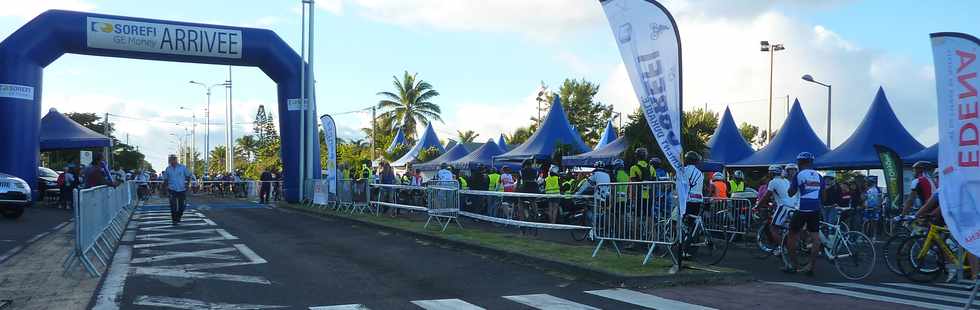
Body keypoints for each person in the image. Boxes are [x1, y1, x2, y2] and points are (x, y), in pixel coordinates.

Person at [785, 152, 823, 275]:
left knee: (792, 235)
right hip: (815, 208)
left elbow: (791, 193)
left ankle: (793, 265)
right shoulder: (819, 176)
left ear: (800, 162)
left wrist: (792, 184)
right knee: (815, 238)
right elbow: (824, 194)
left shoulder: (799, 174)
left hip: (802, 208)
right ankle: (811, 267)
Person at [755, 165, 794, 256]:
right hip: (793, 206)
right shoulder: (786, 181)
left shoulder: (773, 182)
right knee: (786, 228)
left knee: (773, 227)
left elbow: (766, 196)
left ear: (771, 173)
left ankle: (782, 248)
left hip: (784, 206)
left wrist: (757, 207)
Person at [162, 154, 195, 225]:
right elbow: (166, 179)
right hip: (172, 189)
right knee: (173, 206)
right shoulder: (168, 169)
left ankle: (179, 217)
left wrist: (187, 185)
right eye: (170, 159)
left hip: (182, 189)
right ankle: (174, 220)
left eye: (173, 159)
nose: (171, 161)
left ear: (176, 160)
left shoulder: (182, 167)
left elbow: (189, 175)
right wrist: (164, 189)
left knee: (182, 206)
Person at [681, 151, 705, 241]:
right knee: (691, 223)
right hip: (698, 200)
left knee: (678, 219)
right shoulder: (700, 173)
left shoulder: (684, 170)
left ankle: (684, 242)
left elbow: (677, 183)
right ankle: (690, 242)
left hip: (687, 200)